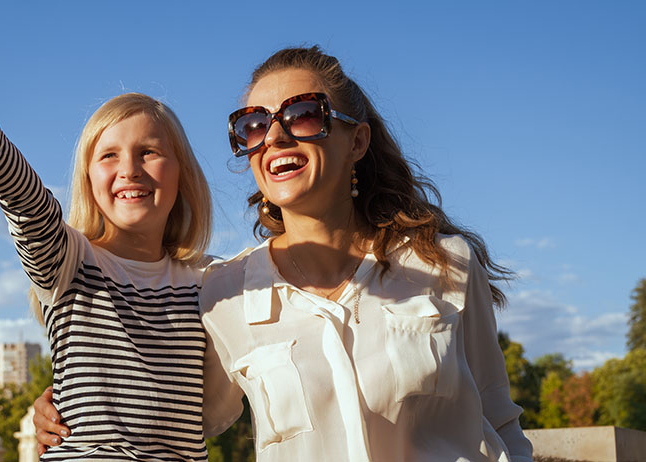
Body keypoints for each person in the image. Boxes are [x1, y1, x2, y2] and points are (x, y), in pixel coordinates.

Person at [34, 46, 533, 462]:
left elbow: (501, 421)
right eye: (253, 125)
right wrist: (69, 400)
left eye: (303, 115)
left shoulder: (445, 263)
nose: (274, 136)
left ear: (357, 141)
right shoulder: (223, 292)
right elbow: (174, 404)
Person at [0, 62, 214, 461]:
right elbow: (27, 205)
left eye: (149, 152)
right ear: (88, 179)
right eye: (109, 155)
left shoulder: (211, 282)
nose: (129, 169)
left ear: (183, 175)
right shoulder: (69, 261)